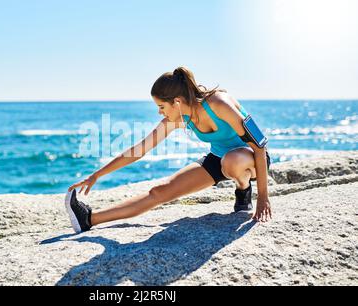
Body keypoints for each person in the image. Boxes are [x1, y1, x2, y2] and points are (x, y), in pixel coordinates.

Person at [66, 67, 272, 234]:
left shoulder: (219, 103)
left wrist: (263, 197)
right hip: (218, 159)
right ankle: (89, 219)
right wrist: (96, 175)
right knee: (159, 192)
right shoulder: (180, 118)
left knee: (232, 159)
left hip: (250, 159)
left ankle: (243, 188)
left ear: (177, 102)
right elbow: (139, 150)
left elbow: (259, 144)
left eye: (161, 106)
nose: (159, 112)